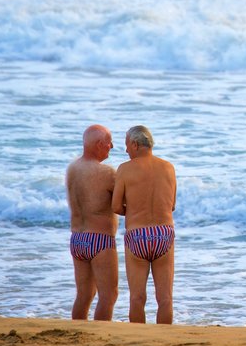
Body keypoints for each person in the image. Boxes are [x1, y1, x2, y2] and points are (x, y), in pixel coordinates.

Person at [112, 125, 177, 324]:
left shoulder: (124, 169)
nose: (125, 151)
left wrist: (133, 212)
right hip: (163, 234)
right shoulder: (168, 167)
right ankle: (164, 342)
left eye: (126, 145)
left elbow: (116, 206)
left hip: (137, 235)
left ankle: (138, 339)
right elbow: (172, 205)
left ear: (135, 144)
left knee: (137, 298)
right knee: (165, 299)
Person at [65, 124, 119, 320]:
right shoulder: (107, 173)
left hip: (77, 239)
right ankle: (100, 336)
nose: (112, 146)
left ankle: (77, 332)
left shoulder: (72, 168)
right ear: (99, 144)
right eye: (109, 142)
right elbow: (123, 203)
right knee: (109, 295)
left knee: (84, 295)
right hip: (100, 240)